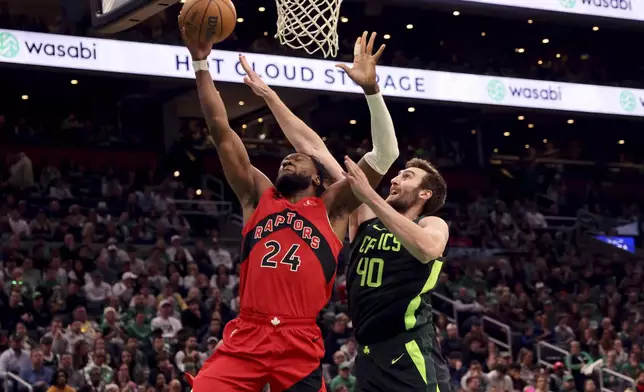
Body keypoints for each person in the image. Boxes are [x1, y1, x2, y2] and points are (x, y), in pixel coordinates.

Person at [180, 24, 398, 392]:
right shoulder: (256, 195)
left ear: (318, 179)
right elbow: (219, 129)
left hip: (298, 339)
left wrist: (371, 90)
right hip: (247, 334)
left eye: (297, 160)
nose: (287, 161)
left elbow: (385, 155)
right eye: (285, 159)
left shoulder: (334, 208)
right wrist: (201, 61)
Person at [266, 73, 450, 390]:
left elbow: (427, 249)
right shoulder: (363, 213)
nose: (395, 179)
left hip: (409, 352)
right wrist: (270, 96)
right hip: (367, 354)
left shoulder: (430, 224)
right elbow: (314, 149)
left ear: (425, 195)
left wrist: (371, 196)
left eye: (406, 177)